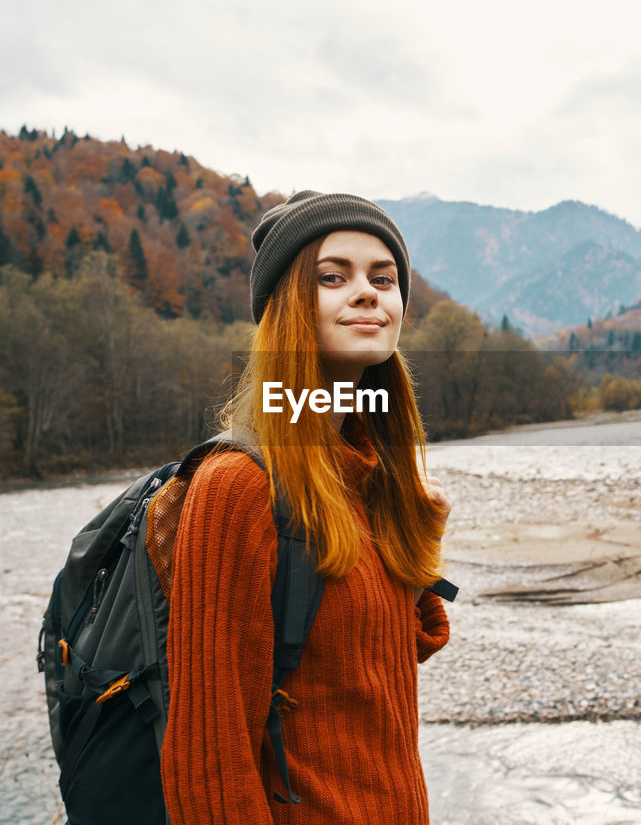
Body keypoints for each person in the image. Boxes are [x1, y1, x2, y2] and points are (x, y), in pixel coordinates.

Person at [161, 190, 452, 823]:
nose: (369, 292)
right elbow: (209, 764)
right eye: (332, 277)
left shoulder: (369, 473)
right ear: (287, 308)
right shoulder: (238, 490)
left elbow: (388, 654)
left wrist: (412, 531)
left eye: (384, 278)